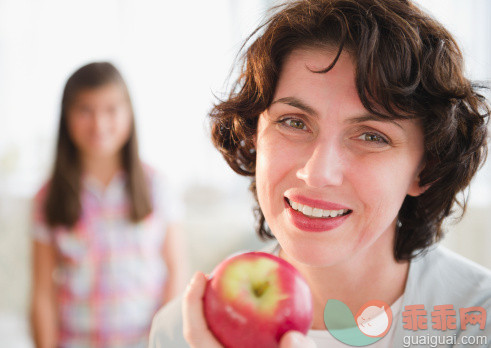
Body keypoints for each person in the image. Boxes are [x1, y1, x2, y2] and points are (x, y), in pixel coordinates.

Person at [149, 0, 491, 347]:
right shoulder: (183, 332)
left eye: (372, 136)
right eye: (293, 122)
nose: (317, 173)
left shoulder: (479, 321)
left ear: (425, 169)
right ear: (255, 136)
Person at [29, 62, 188, 348]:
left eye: (111, 109)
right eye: (85, 110)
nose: (99, 123)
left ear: (129, 114)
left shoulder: (157, 186)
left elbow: (176, 271)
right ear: (66, 116)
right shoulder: (47, 195)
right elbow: (42, 292)